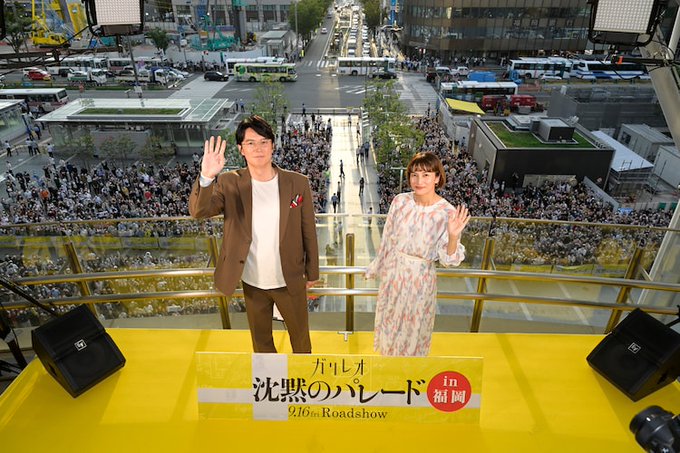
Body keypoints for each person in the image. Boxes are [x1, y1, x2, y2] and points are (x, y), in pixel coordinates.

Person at [189, 115, 319, 353]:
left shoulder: (297, 183)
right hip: (252, 281)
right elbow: (199, 211)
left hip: (289, 278)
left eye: (263, 142)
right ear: (241, 149)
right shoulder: (229, 182)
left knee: (301, 340)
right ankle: (269, 377)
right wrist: (206, 177)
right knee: (261, 343)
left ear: (272, 145)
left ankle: (301, 375)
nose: (258, 148)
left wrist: (312, 271)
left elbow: (308, 229)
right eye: (250, 143)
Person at [366, 152, 470, 357]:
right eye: (414, 175)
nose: (419, 181)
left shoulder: (447, 212)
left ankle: (409, 371)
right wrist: (378, 266)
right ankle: (388, 364)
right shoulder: (400, 201)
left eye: (426, 175)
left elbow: (449, 259)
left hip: (420, 280)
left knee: (413, 328)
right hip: (394, 273)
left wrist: (453, 236)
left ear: (437, 178)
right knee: (391, 323)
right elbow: (388, 238)